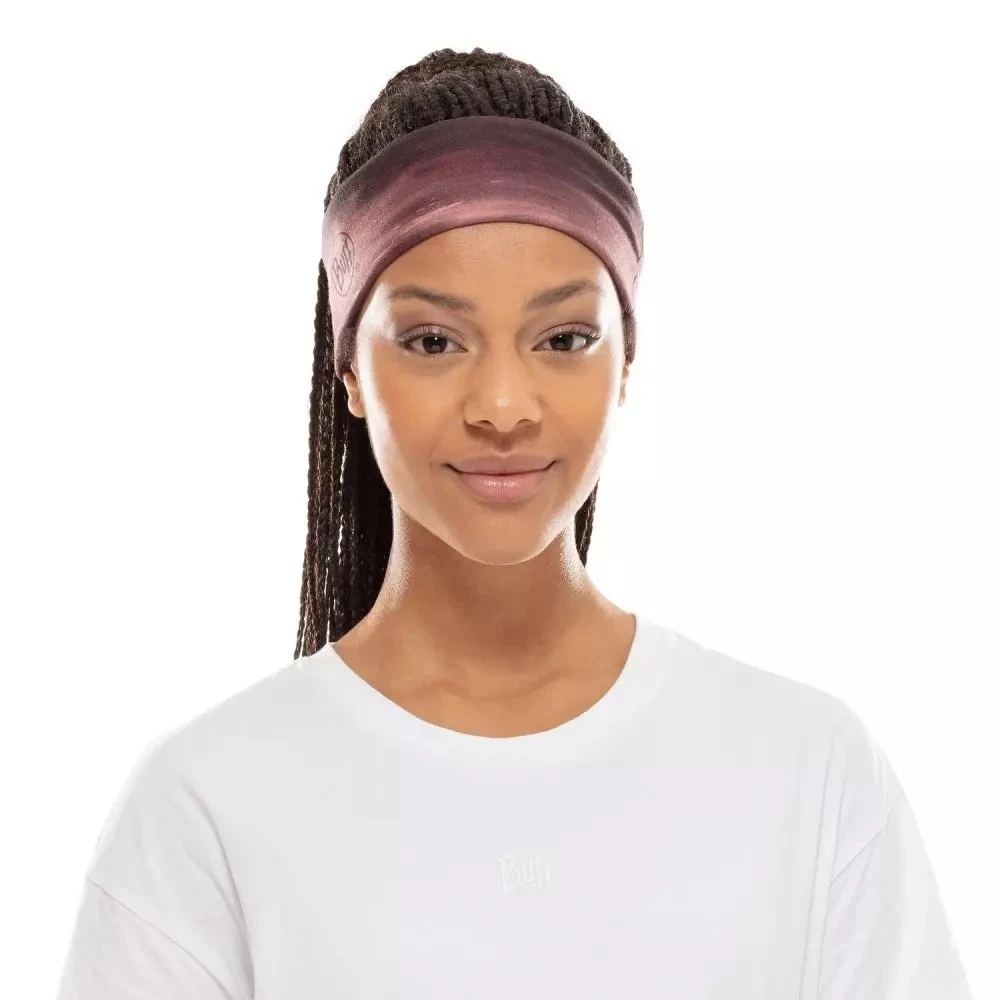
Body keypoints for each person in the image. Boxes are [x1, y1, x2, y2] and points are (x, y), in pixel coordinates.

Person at [55, 47, 972, 999]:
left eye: (564, 338)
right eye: (433, 340)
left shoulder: (809, 774)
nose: (503, 405)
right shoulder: (209, 807)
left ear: (626, 362)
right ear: (351, 370)